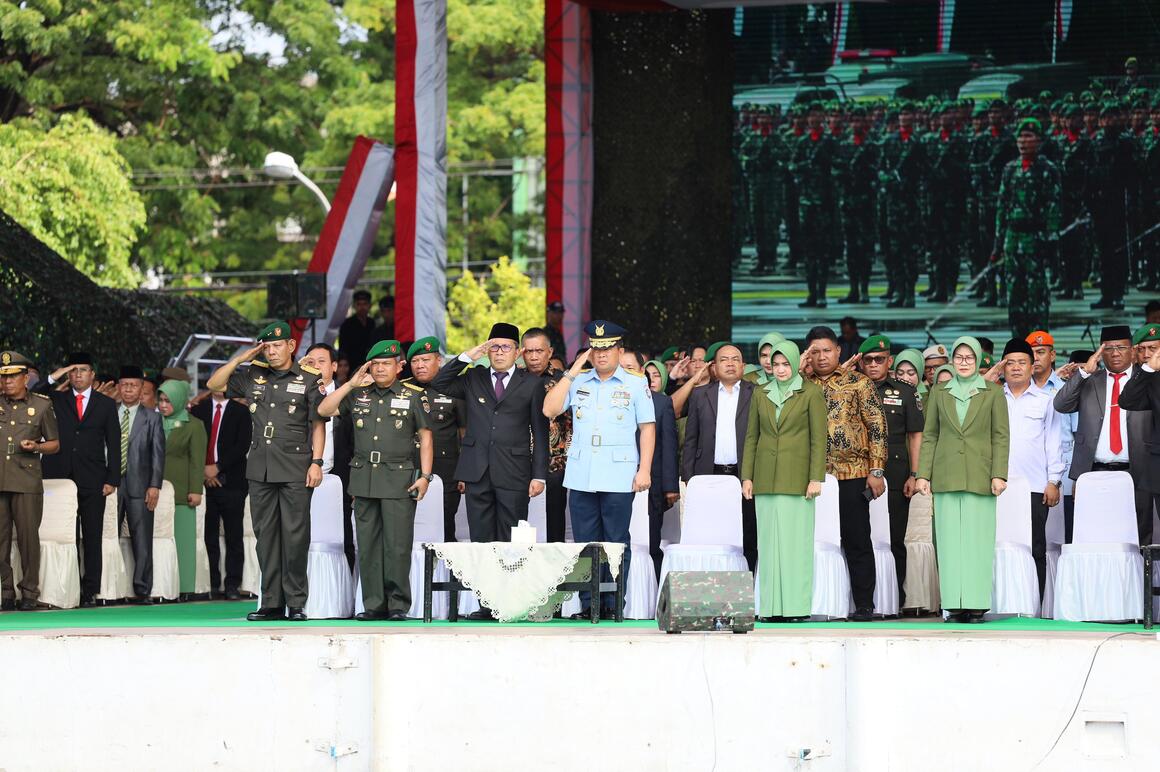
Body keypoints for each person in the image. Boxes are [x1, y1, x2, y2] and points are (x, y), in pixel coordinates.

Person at [207, 322, 326, 622]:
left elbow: (318, 423)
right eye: (267, 347)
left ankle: (296, 602)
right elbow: (214, 385)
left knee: (295, 536)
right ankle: (271, 602)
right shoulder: (252, 374)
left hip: (296, 468)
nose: (271, 352)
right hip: (260, 468)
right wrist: (239, 359)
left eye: (276, 346)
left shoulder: (309, 378)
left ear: (291, 346)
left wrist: (317, 462)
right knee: (266, 537)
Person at [431, 322, 549, 620]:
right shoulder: (474, 377)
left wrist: (539, 474)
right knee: (482, 539)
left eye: (505, 347)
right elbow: (439, 383)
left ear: (518, 352)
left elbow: (540, 430)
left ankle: (511, 601)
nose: (499, 352)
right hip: (477, 470)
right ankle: (487, 604)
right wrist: (468, 356)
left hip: (515, 471)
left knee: (512, 540)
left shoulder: (531, 383)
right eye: (493, 346)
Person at [543, 321, 654, 619]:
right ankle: (588, 605)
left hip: (619, 475)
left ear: (619, 350)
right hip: (581, 475)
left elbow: (647, 429)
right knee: (584, 543)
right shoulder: (578, 381)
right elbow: (549, 410)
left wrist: (645, 469)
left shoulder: (634, 383)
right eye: (596, 348)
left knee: (617, 542)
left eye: (607, 349)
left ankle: (614, 603)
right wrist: (572, 370)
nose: (601, 354)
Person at [319, 340, 433, 621]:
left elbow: (427, 438)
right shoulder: (357, 394)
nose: (381, 369)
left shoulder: (413, 395)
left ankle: (397, 605)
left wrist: (426, 476)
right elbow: (324, 410)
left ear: (399, 366)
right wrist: (350, 383)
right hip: (364, 479)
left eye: (386, 364)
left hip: (398, 479)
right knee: (367, 545)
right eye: (376, 364)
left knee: (397, 545)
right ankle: (373, 604)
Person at [916, 336, 1010, 624]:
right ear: (952, 361)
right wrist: (923, 474)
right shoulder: (940, 391)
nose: (964, 362)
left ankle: (976, 603)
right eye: (959, 357)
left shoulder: (993, 392)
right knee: (949, 543)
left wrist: (999, 473)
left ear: (980, 360)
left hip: (981, 476)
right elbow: (930, 434)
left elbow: (1000, 436)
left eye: (970, 358)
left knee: (977, 542)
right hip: (945, 475)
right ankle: (953, 605)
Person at [803, 326, 887, 622]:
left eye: (827, 350)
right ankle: (809, 601)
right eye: (815, 351)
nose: (822, 357)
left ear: (839, 351)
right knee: (811, 540)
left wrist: (876, 470)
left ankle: (864, 604)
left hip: (852, 472)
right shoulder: (800, 385)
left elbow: (877, 426)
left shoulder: (859, 383)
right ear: (806, 355)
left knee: (857, 539)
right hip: (811, 475)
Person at [741, 338, 827, 621]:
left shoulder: (811, 392)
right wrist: (747, 476)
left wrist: (816, 477)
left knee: (795, 545)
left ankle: (795, 608)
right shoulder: (760, 392)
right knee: (768, 545)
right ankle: (769, 608)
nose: (779, 369)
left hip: (798, 480)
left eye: (785, 364)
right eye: (775, 364)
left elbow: (819, 439)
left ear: (795, 363)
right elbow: (752, 436)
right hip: (765, 478)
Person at [1054, 326, 1154, 545]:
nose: (1115, 353)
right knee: (1094, 538)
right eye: (1109, 348)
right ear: (1100, 352)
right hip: (1094, 472)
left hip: (1138, 472)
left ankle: (1139, 580)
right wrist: (1082, 373)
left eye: (1121, 347)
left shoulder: (1147, 379)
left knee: (1139, 537)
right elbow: (1061, 404)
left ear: (1132, 351)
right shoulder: (1090, 380)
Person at [38, 352, 121, 607]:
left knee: (92, 535)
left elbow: (114, 442)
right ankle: (68, 587)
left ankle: (90, 590)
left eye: (83, 370)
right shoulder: (56, 399)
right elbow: (36, 390)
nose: (77, 375)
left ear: (92, 374)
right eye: (73, 371)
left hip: (93, 477)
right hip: (59, 476)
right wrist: (57, 373)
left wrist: (113, 478)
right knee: (65, 535)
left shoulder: (105, 404)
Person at [991, 338, 1064, 600]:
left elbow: (1053, 442)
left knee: (1035, 547)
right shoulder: (992, 399)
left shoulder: (1047, 400)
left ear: (1032, 366)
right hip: (997, 485)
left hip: (1034, 486)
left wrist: (1054, 481)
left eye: (1022, 362)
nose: (1016, 368)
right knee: (997, 546)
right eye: (1010, 363)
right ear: (1003, 367)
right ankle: (998, 601)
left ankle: (1037, 603)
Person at [857, 335, 923, 607]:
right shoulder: (851, 387)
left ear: (890, 361)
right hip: (857, 472)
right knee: (860, 538)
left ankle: (895, 597)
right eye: (869, 360)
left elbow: (915, 435)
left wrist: (915, 474)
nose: (874, 365)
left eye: (879, 359)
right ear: (860, 362)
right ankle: (862, 600)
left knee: (895, 539)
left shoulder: (905, 391)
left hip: (895, 473)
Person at [680, 342, 757, 570]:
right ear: (713, 367)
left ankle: (749, 587)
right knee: (712, 533)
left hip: (744, 475)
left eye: (735, 359)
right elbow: (691, 438)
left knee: (748, 534)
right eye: (724, 359)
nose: (730, 364)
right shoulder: (700, 395)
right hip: (708, 474)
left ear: (743, 366)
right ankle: (714, 587)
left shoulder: (757, 394)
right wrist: (688, 476)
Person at [992, 118, 1061, 337]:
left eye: (1029, 137)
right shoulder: (1010, 169)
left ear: (1039, 141)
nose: (1024, 141)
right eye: (1021, 137)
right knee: (1015, 295)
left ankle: (1039, 343)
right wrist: (997, 244)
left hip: (1035, 238)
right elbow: (1002, 207)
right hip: (1013, 240)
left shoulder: (1047, 170)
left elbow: (1053, 207)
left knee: (1037, 296)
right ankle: (1018, 342)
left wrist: (1051, 240)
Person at [0, 352, 59, 610]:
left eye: (13, 376)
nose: (7, 382)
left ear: (26, 377)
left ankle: (30, 593)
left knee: (27, 539)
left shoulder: (42, 405)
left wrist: (36, 446)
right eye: (4, 377)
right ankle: (5, 593)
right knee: (0, 540)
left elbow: (55, 444)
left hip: (26, 481)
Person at [404, 336, 467, 542]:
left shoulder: (455, 390)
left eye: (425, 360)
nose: (420, 366)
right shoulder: (403, 390)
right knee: (407, 528)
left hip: (446, 471)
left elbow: (465, 433)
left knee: (445, 527)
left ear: (438, 360)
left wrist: (464, 473)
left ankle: (446, 574)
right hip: (407, 468)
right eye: (415, 361)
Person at [191, 388, 251, 599]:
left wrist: (217, 467)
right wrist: (205, 471)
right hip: (204, 482)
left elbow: (242, 445)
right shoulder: (199, 410)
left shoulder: (241, 411)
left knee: (234, 536)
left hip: (233, 481)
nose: (221, 386)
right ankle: (213, 583)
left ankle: (233, 584)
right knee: (209, 535)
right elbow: (194, 443)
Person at [301, 343, 355, 568]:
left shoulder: (351, 395)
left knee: (343, 533)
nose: (316, 366)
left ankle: (345, 592)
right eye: (310, 362)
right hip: (302, 473)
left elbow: (357, 442)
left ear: (334, 366)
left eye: (321, 361)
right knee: (301, 532)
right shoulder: (296, 393)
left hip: (340, 474)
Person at [115, 365, 166, 603]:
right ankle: (111, 589)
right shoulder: (108, 412)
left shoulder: (152, 418)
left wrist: (154, 485)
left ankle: (143, 589)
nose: (128, 389)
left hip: (140, 484)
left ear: (141, 388)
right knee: (107, 536)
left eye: (133, 385)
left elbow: (158, 454)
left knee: (142, 538)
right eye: (124, 385)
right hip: (111, 484)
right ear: (118, 388)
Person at [157, 379, 207, 599]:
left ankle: (185, 588)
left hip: (182, 491)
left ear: (178, 400)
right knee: (160, 542)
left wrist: (196, 490)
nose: (163, 405)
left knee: (184, 542)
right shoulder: (153, 421)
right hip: (156, 490)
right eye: (161, 400)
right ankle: (161, 587)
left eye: (168, 400)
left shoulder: (194, 425)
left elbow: (198, 461)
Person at [522, 328, 570, 543]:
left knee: (554, 525)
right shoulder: (514, 381)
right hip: (519, 462)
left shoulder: (563, 382)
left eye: (539, 351)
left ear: (549, 352)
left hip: (555, 464)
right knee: (520, 524)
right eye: (529, 351)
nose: (533, 357)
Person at [635, 353, 679, 580]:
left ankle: (653, 596)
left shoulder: (661, 402)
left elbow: (669, 446)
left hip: (652, 483)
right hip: (616, 481)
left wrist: (670, 487)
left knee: (651, 542)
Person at [337, 290, 379, 366]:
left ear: (370, 305)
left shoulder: (372, 323)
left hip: (370, 363)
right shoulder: (347, 324)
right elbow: (343, 349)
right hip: (353, 364)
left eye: (365, 304)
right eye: (359, 304)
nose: (362, 307)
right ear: (354, 306)